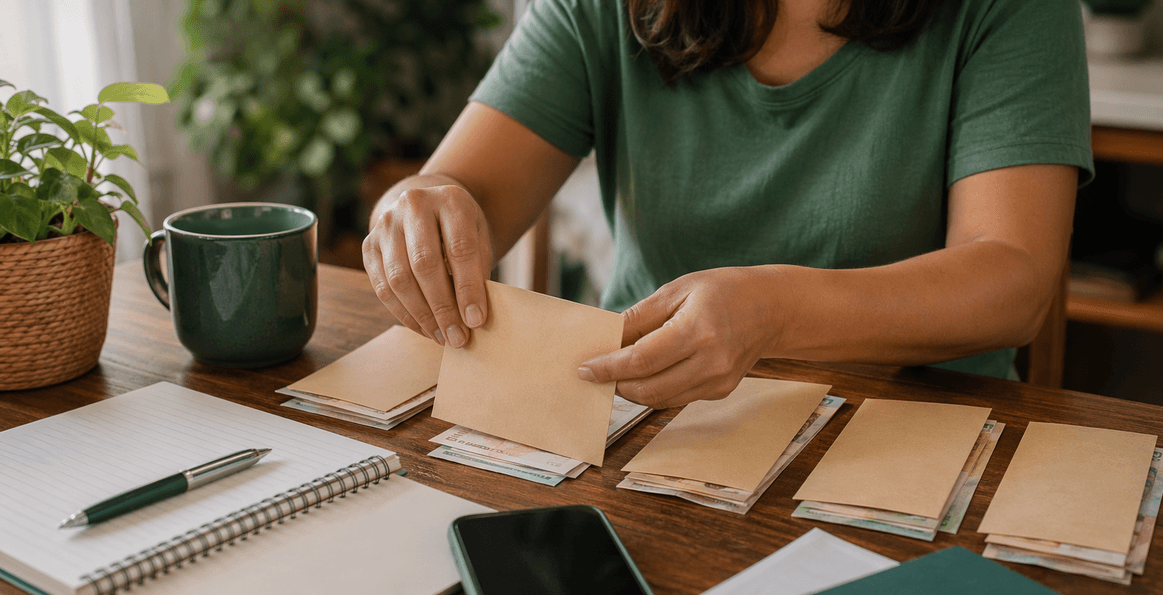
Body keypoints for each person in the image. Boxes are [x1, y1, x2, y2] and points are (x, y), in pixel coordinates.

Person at [362, 0, 1093, 409]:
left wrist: (772, 312)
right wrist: (421, 208)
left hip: (918, 432)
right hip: (644, 423)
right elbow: (463, 192)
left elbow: (1013, 278)